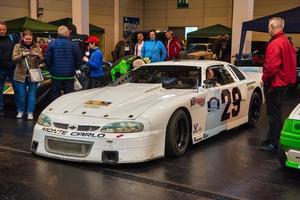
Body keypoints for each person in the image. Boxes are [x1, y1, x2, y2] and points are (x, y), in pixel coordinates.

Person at [261, 17, 297, 152]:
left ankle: (274, 142)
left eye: (268, 27)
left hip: (274, 84)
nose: (267, 30)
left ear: (272, 27)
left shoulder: (275, 44)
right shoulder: (287, 42)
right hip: (284, 83)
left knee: (273, 114)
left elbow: (272, 66)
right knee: (276, 112)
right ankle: (273, 138)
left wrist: (264, 78)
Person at [45, 25, 82, 101]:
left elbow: (47, 59)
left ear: (58, 33)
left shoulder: (52, 44)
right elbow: (79, 60)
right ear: (67, 33)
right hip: (70, 75)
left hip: (56, 75)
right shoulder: (74, 45)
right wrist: (76, 68)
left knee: (55, 95)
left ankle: (55, 110)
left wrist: (50, 69)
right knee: (68, 96)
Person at [12, 30, 43, 120]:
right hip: (20, 75)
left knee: (32, 95)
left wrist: (38, 57)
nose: (28, 40)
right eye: (26, 39)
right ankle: (20, 111)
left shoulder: (36, 46)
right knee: (21, 95)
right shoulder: (17, 46)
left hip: (33, 75)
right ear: (23, 38)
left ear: (32, 38)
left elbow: (41, 60)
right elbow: (13, 59)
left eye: (30, 39)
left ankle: (30, 112)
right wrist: (22, 55)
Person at [0, 21, 17, 117]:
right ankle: (0, 107)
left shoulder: (12, 37)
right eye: (0, 29)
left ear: (6, 30)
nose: (2, 31)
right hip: (0, 69)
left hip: (12, 68)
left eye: (3, 29)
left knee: (17, 89)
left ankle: (19, 108)